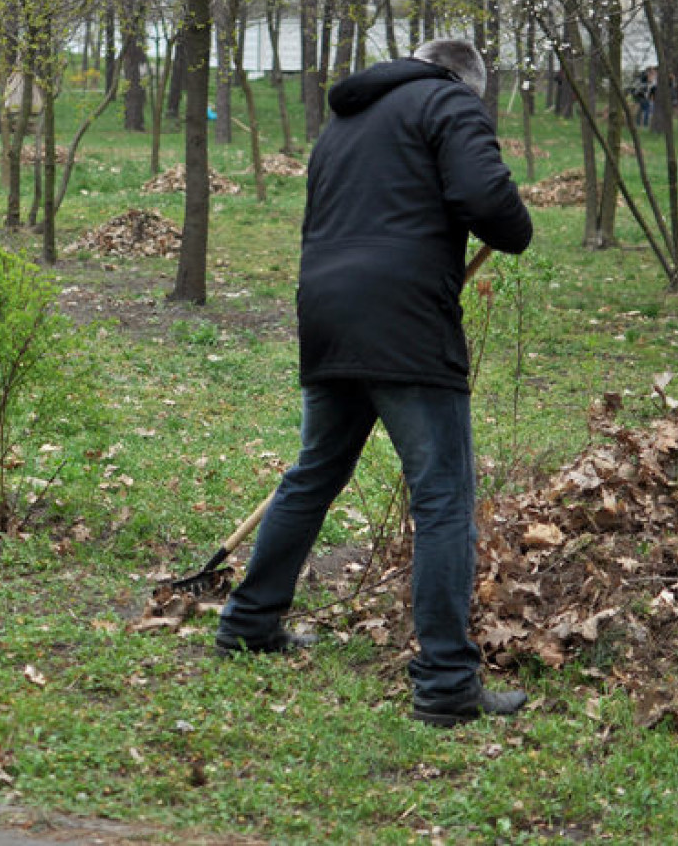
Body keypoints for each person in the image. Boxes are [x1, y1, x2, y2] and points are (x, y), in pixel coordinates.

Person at [214, 39, 534, 729]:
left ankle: (248, 622)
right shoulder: (451, 102)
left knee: (314, 472)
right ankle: (447, 681)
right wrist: (515, 219)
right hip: (406, 319)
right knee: (444, 497)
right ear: (465, 82)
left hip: (328, 308)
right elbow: (488, 202)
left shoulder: (346, 120)